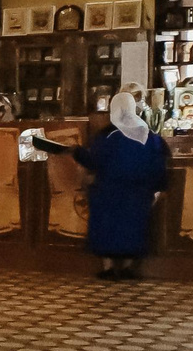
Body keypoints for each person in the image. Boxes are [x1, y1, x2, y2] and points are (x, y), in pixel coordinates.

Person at [41, 88, 169, 280]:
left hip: (108, 193)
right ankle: (128, 267)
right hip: (138, 195)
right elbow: (159, 164)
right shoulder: (149, 137)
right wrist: (159, 188)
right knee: (133, 228)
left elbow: (94, 161)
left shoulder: (107, 137)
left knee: (106, 224)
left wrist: (75, 151)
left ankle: (108, 267)